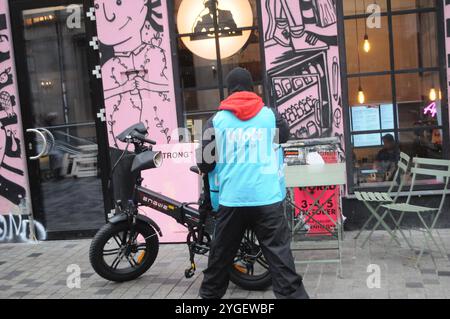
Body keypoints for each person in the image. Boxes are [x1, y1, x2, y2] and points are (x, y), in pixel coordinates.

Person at [196, 67, 309, 299]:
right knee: (281, 262)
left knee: (219, 262)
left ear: (229, 91)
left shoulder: (216, 121)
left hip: (232, 201)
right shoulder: (270, 116)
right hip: (267, 201)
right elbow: (284, 137)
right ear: (252, 88)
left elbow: (205, 164)